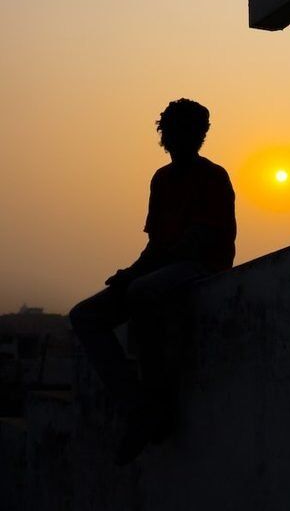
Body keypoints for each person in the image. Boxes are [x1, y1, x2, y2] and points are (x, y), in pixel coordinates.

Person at [70, 98, 236, 465]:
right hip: (161, 268)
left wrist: (137, 275)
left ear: (201, 135)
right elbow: (156, 244)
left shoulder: (213, 177)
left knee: (143, 292)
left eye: (191, 130)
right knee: (84, 316)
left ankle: (156, 398)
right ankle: (140, 407)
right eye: (175, 129)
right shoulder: (161, 180)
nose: (182, 137)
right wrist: (129, 273)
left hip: (201, 267)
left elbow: (194, 243)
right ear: (164, 134)